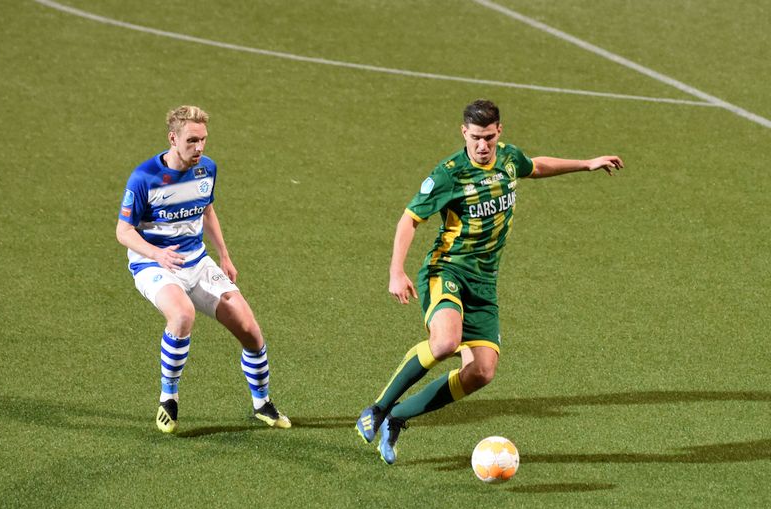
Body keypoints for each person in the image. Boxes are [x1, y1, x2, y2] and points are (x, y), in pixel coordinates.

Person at [356, 99, 623, 464]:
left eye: (489, 139)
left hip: (484, 283)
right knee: (446, 341)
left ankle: (399, 417)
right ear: (464, 132)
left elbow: (536, 166)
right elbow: (409, 220)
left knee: (482, 372)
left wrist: (586, 163)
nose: (483, 146)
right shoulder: (449, 173)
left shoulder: (509, 159)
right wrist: (395, 271)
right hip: (447, 270)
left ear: (500, 132)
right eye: (476, 138)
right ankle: (378, 409)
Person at [116, 105, 290, 434]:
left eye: (204, 140)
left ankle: (261, 403)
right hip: (153, 264)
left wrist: (224, 254)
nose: (199, 148)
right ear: (173, 138)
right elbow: (123, 232)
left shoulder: (206, 170)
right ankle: (169, 397)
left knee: (251, 331)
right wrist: (158, 254)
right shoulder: (144, 178)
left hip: (197, 261)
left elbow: (207, 209)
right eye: (192, 140)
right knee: (182, 315)